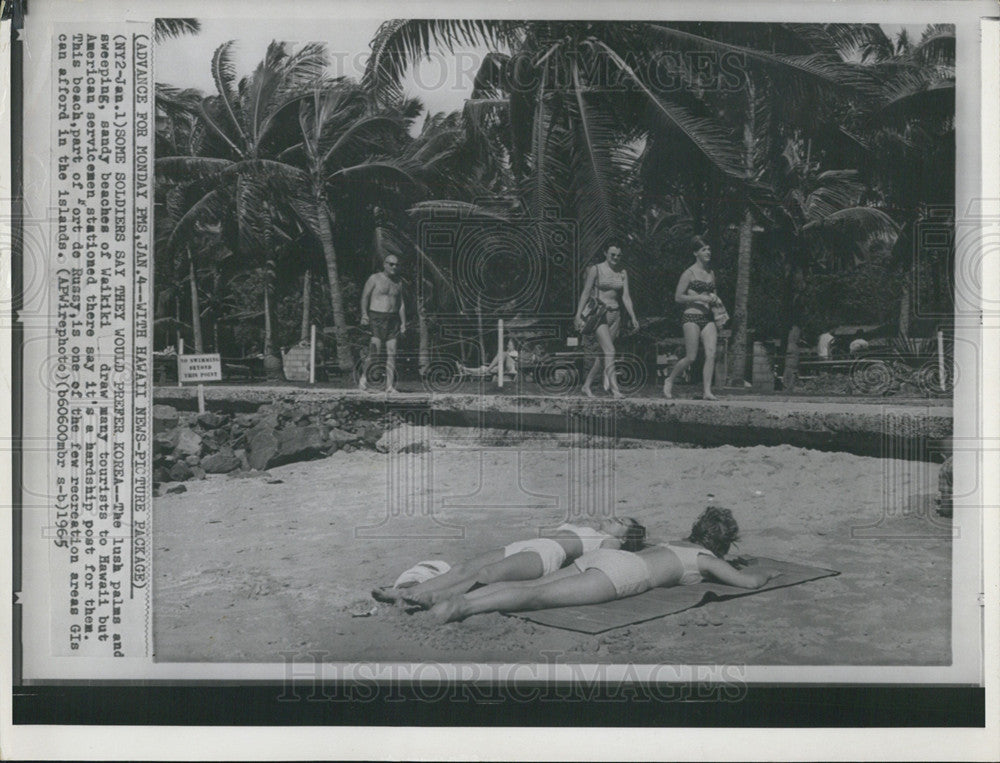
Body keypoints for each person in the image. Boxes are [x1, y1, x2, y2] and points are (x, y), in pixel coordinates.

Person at [427, 506, 782, 623]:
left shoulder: (673, 543)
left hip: (609, 558)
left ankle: (462, 598)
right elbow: (746, 583)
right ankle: (463, 606)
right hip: (624, 573)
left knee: (533, 586)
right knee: (539, 597)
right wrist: (765, 573)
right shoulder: (705, 559)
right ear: (720, 545)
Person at [371, 517, 647, 608]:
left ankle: (431, 597)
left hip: (547, 556)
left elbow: (607, 559)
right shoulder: (590, 528)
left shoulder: (610, 543)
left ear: (626, 538)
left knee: (488, 573)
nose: (615, 519)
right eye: (618, 516)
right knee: (464, 569)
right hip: (526, 546)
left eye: (622, 523)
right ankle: (404, 593)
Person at [574, 242, 639, 398]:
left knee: (604, 354)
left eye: (619, 255)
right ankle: (615, 389)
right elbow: (585, 293)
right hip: (599, 314)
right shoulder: (595, 270)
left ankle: (586, 385)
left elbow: (626, 296)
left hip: (615, 314)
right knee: (610, 350)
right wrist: (578, 314)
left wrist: (633, 316)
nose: (616, 258)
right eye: (612, 255)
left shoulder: (622, 272)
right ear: (605, 253)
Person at [663, 235, 723, 401]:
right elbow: (678, 297)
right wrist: (699, 298)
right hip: (691, 317)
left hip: (708, 318)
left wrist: (717, 309)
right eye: (704, 249)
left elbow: (714, 295)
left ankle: (707, 391)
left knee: (711, 354)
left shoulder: (711, 273)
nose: (708, 252)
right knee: (691, 357)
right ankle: (669, 380)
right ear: (695, 253)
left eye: (709, 249)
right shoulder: (688, 273)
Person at [359, 254, 406, 393]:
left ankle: (389, 386)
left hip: (393, 319)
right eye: (391, 264)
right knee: (375, 352)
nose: (394, 267)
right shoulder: (374, 278)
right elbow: (365, 297)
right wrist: (364, 314)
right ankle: (364, 379)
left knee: (392, 353)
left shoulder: (398, 282)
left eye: (396, 264)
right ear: (384, 264)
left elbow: (401, 303)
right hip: (377, 317)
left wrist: (403, 323)